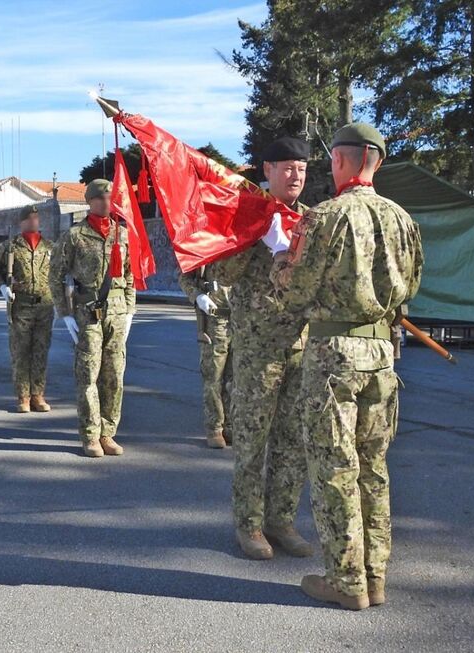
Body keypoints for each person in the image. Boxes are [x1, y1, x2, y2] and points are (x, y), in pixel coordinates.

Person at [267, 123, 423, 610]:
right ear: (376, 160)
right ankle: (375, 577)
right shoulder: (401, 218)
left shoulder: (325, 216)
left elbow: (293, 290)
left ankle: (345, 580)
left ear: (341, 160)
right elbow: (412, 285)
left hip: (334, 355)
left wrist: (279, 258)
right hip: (382, 355)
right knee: (373, 468)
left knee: (335, 468)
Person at [215, 136, 313, 561]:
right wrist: (258, 234)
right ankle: (249, 525)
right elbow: (225, 270)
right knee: (253, 441)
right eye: (288, 167)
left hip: (303, 344)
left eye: (303, 169)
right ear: (267, 170)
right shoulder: (249, 214)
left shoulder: (312, 219)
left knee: (293, 440)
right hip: (258, 348)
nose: (296, 176)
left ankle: (282, 520)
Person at [49, 179, 135, 458]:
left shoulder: (122, 234)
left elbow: (131, 276)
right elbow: (56, 275)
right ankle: (90, 435)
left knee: (115, 376)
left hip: (118, 311)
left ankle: (108, 432)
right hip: (88, 312)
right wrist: (65, 313)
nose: (106, 202)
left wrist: (131, 309)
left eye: (110, 197)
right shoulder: (75, 236)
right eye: (100, 198)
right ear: (89, 201)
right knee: (88, 376)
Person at [0, 205, 55, 413]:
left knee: (40, 351)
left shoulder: (50, 247)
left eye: (36, 217)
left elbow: (61, 271)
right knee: (20, 352)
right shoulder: (10, 247)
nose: (34, 221)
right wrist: (2, 286)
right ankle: (23, 396)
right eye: (29, 218)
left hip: (45, 305)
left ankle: (38, 394)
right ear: (22, 222)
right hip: (21, 305)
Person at [178, 264, 233, 449]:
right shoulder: (206, 242)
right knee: (214, 375)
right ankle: (215, 428)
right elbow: (184, 277)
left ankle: (232, 426)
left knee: (237, 376)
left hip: (241, 319)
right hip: (214, 319)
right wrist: (198, 296)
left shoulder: (244, 242)